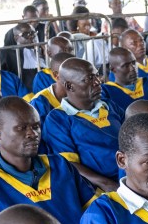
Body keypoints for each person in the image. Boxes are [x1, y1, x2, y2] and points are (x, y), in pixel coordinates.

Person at [0, 97, 96, 224]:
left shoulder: (59, 164)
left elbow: (94, 215)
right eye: (21, 128)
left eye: (36, 126)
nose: (32, 134)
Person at [41, 58, 125, 193]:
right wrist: (107, 184)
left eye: (96, 75)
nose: (98, 82)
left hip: (130, 175)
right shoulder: (58, 119)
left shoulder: (109, 105)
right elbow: (69, 164)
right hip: (100, 187)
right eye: (89, 79)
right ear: (69, 86)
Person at [105, 47, 148, 115]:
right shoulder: (107, 91)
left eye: (133, 63)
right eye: (126, 66)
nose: (133, 68)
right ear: (113, 69)